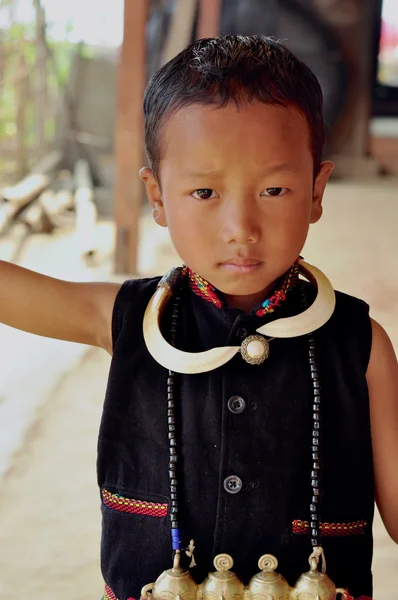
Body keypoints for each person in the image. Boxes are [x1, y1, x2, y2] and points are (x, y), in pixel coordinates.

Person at [0, 35, 397, 600]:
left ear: (316, 190)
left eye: (275, 188)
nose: (241, 225)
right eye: (205, 190)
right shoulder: (127, 319)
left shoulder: (360, 345)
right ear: (157, 196)